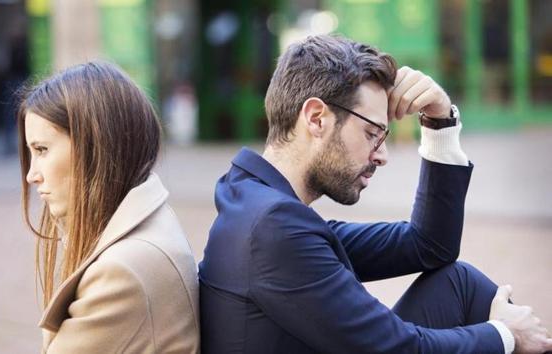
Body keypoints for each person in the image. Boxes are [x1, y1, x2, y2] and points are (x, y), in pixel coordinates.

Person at [198, 35, 552, 353]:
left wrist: (439, 122)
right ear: (317, 118)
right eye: (372, 133)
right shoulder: (273, 229)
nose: (382, 155)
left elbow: (429, 246)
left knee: (458, 282)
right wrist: (506, 334)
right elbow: (397, 348)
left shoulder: (260, 205)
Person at [17, 61, 200, 353]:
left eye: (42, 150)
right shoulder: (146, 221)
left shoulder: (122, 271)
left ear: (95, 146)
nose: (32, 174)